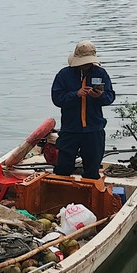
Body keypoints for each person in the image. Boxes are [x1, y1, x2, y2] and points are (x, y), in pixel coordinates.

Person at [50, 41, 115, 179]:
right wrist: (76, 94)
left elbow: (110, 97)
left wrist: (100, 96)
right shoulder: (64, 75)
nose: (86, 64)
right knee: (62, 168)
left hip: (94, 130)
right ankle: (60, 195)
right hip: (70, 129)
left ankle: (90, 198)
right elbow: (57, 99)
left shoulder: (101, 73)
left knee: (92, 170)